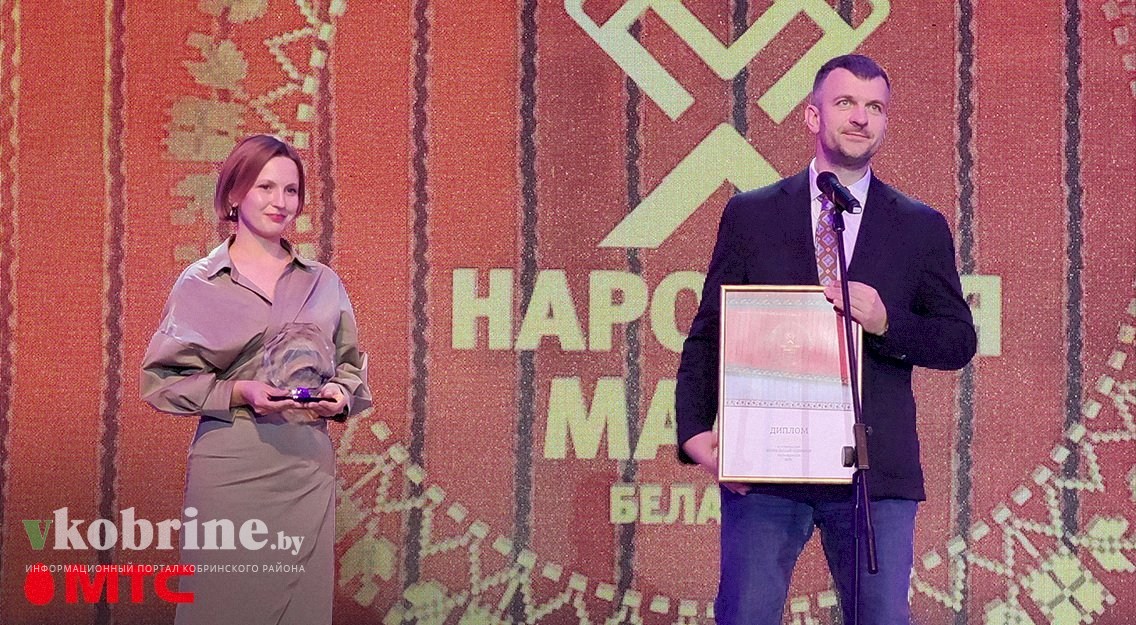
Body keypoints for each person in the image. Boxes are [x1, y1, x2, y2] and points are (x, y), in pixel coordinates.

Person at [675, 55, 976, 624]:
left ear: (885, 123)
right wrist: (694, 430)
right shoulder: (751, 214)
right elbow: (709, 332)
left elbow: (957, 340)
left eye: (875, 107)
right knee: (745, 615)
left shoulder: (919, 225)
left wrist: (887, 323)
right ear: (813, 116)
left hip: (873, 473)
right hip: (767, 470)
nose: (861, 117)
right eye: (845, 103)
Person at [141, 134, 372, 624]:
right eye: (265, 187)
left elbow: (349, 365)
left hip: (305, 469)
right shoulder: (201, 281)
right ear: (234, 193)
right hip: (232, 469)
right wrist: (237, 392)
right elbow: (161, 380)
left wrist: (338, 393)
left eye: (291, 190)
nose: (280, 201)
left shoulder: (323, 281)